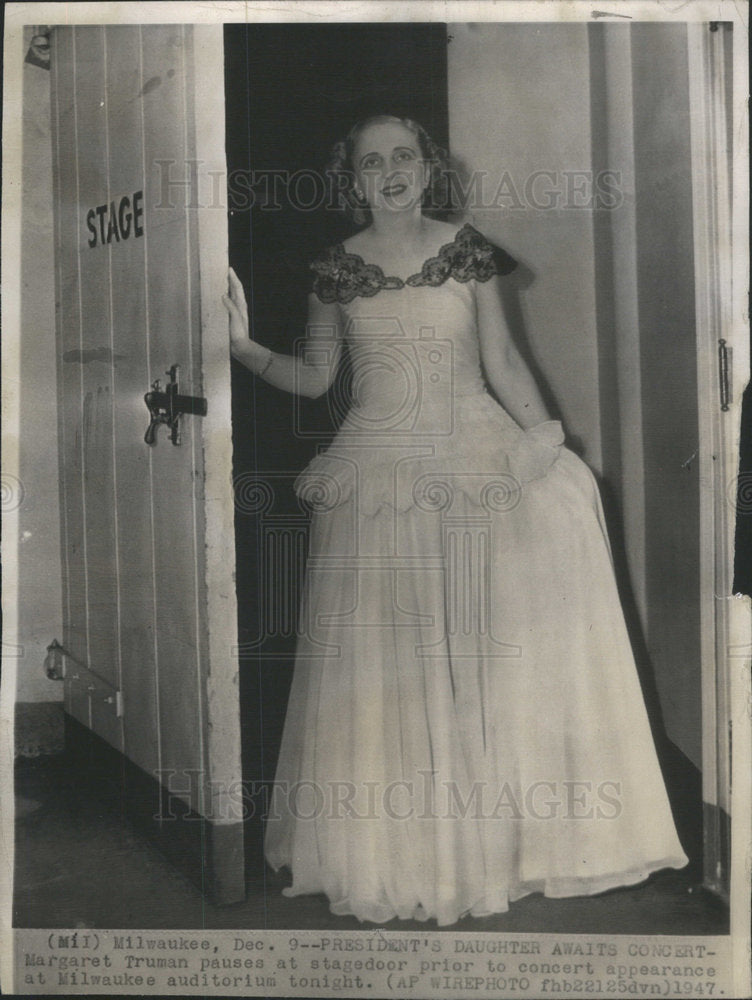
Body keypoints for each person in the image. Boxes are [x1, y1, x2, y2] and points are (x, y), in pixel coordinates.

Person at [222, 114, 688, 926]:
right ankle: (407, 853)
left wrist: (546, 442)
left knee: (485, 650)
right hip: (377, 469)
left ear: (428, 167)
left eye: (405, 156)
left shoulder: (468, 249)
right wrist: (241, 348)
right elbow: (314, 377)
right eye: (373, 162)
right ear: (353, 180)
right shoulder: (334, 270)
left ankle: (504, 847)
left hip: (475, 453)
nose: (392, 171)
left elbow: (504, 361)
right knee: (391, 660)